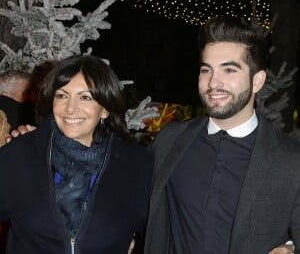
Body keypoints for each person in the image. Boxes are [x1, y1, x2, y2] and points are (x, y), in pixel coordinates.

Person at [143, 16, 300, 254]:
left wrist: (291, 247)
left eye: (229, 70)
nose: (214, 82)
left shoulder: (291, 161)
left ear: (257, 81)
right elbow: (134, 200)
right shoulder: (170, 140)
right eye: (206, 70)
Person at [0, 55, 153, 253]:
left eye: (85, 97)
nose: (70, 109)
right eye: (62, 95)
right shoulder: (21, 154)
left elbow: (159, 234)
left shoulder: (136, 166)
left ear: (105, 109)